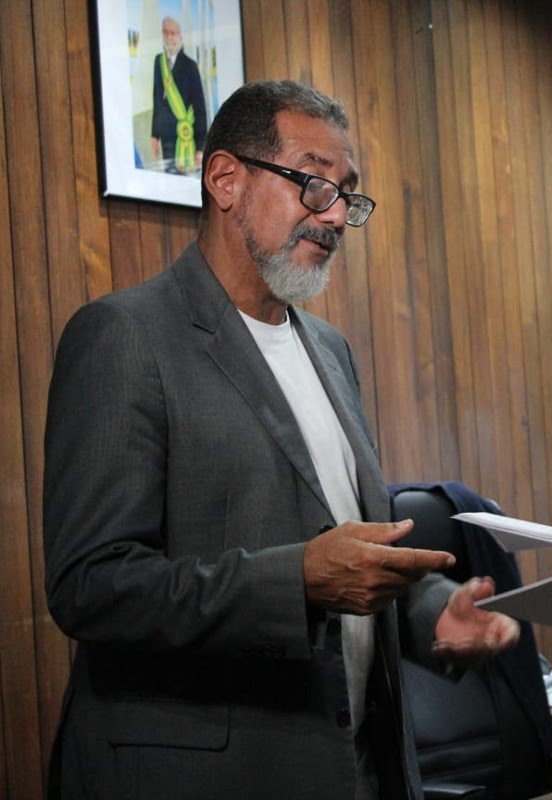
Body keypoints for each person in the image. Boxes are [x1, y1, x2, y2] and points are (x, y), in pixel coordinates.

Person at [43, 79, 519, 800]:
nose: (332, 215)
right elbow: (91, 587)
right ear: (225, 179)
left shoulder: (330, 351)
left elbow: (350, 550)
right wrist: (294, 581)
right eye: (310, 182)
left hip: (355, 772)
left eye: (346, 194)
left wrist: (433, 616)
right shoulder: (126, 338)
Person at [150, 16, 207, 173]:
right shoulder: (158, 62)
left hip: (187, 138)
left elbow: (200, 108)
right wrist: (154, 135)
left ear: (180, 36)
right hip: (166, 137)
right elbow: (157, 100)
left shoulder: (190, 66)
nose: (169, 37)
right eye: (166, 33)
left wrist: (200, 148)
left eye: (173, 33)